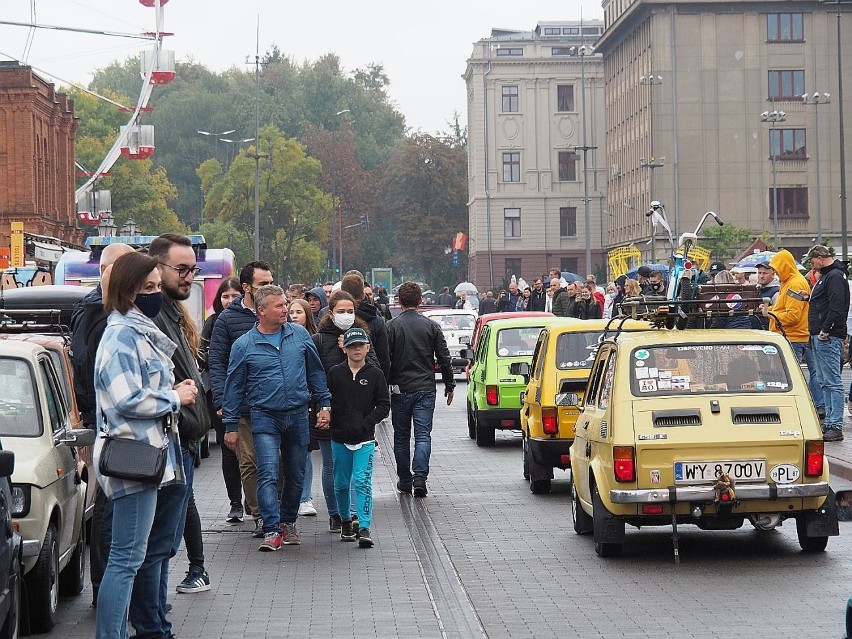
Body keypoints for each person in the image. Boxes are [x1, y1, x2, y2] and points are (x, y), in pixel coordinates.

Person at [93, 251, 198, 639]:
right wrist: (174, 397)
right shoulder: (121, 334)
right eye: (148, 288)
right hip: (134, 460)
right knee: (126, 559)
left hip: (150, 458)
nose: (156, 294)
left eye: (158, 286)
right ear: (128, 290)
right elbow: (125, 398)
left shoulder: (135, 331)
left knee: (134, 557)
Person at [222, 285, 331, 550]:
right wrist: (230, 425)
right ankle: (271, 529)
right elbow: (233, 386)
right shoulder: (244, 345)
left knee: (296, 472)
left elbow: (316, 372)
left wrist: (324, 404)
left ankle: (288, 522)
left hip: (297, 414)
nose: (286, 310)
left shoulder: (299, 335)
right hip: (264, 416)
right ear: (262, 311)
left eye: (286, 304)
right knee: (267, 472)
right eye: (280, 306)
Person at [70, 241, 135, 605]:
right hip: (109, 422)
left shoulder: (103, 310)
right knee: (110, 506)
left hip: (109, 419)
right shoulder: (98, 312)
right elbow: (90, 369)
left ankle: (110, 590)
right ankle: (106, 592)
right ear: (108, 270)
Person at [148, 234, 212, 596]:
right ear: (157, 267)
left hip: (184, 439)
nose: (189, 277)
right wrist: (175, 397)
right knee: (157, 546)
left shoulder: (174, 315)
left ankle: (158, 615)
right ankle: (154, 621)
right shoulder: (153, 319)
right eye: (181, 269)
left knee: (165, 540)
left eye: (193, 270)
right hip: (168, 440)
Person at [209, 260, 275, 538]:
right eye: (262, 284)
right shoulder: (228, 320)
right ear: (246, 287)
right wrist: (223, 402)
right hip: (244, 404)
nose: (268, 288)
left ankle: (276, 510)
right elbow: (217, 361)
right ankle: (260, 514)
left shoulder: (276, 313)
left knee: (275, 461)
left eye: (271, 282)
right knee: (249, 461)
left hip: (276, 403)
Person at [313, 291, 380, 532]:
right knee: (333, 469)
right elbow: (314, 374)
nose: (346, 315)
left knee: (359, 476)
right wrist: (322, 407)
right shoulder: (319, 340)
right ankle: (336, 514)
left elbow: (375, 374)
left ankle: (354, 516)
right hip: (330, 416)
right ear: (330, 314)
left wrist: (354, 350)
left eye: (350, 311)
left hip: (360, 422)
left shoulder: (363, 339)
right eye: (341, 311)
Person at [387, 282, 454, 497]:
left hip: (400, 388)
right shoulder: (431, 326)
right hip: (425, 387)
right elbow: (444, 357)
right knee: (423, 435)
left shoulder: (391, 327)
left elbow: (385, 360)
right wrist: (449, 384)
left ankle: (405, 479)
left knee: (401, 436)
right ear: (420, 301)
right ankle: (420, 477)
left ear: (399, 301)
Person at [326, 327, 390, 547]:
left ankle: (364, 527)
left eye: (360, 345)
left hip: (364, 439)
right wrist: (327, 416)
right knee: (341, 483)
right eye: (352, 346)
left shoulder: (375, 374)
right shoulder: (335, 373)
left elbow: (384, 405)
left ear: (367, 348)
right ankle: (345, 520)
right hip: (339, 438)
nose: (356, 350)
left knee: (362, 482)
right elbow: (327, 400)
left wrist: (366, 422)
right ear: (344, 348)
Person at [199, 277, 243, 524]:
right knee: (229, 449)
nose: (229, 301)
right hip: (218, 392)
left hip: (246, 394)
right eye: (225, 296)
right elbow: (203, 355)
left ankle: (253, 499)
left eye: (234, 296)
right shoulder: (212, 323)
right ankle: (235, 503)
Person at [765, 250, 824, 418]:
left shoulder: (795, 284)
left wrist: (770, 315)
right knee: (810, 373)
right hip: (791, 336)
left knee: (792, 377)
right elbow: (785, 309)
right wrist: (771, 311)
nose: (775, 273)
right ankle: (817, 405)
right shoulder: (788, 282)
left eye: (776, 268)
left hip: (793, 337)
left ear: (784, 266)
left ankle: (802, 409)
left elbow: (792, 316)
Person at [803, 245, 850, 441]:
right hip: (823, 335)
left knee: (832, 382)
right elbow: (831, 304)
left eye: (812, 261)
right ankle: (831, 423)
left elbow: (837, 305)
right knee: (825, 381)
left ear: (821, 258)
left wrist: (825, 329)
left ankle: (835, 425)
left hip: (827, 336)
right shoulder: (831, 277)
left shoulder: (833, 277)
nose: (811, 265)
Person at [288, 299, 321, 518]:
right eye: (291, 311)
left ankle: (305, 498)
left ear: (307, 315)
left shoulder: (314, 339)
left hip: (308, 404)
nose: (293, 315)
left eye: (298, 312)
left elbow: (318, 372)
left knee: (305, 452)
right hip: (289, 403)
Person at [341, 271, 391, 381]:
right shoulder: (376, 319)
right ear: (363, 294)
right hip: (371, 381)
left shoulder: (333, 318)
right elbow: (384, 358)